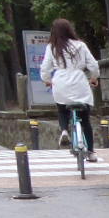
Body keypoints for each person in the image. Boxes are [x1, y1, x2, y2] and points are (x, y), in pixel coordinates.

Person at [40, 19, 100, 162]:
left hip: (60, 82)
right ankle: (91, 152)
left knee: (62, 109)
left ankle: (64, 130)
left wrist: (47, 80)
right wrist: (94, 77)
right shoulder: (81, 45)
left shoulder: (52, 47)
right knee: (85, 120)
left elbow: (45, 67)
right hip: (79, 82)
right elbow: (93, 64)